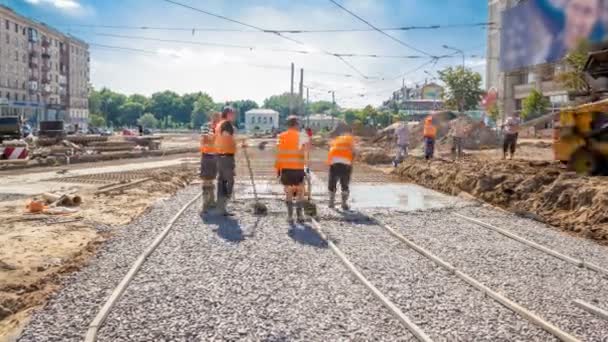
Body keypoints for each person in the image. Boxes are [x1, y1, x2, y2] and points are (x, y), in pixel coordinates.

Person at [276, 116, 308, 223]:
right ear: (296, 124)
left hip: (286, 169)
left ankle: (290, 216)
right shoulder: (302, 136)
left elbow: (279, 154)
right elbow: (307, 151)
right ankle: (299, 216)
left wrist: (278, 171)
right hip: (298, 169)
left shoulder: (281, 136)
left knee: (288, 193)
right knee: (300, 192)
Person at [214, 107, 238, 216]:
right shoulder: (227, 125)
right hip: (226, 157)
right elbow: (230, 137)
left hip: (219, 156)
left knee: (222, 181)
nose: (234, 116)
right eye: (233, 114)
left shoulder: (219, 124)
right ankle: (224, 203)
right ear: (228, 114)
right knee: (229, 181)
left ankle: (221, 207)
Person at [327, 126, 355, 210]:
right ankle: (344, 204)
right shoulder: (350, 139)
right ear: (350, 133)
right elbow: (354, 152)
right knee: (345, 183)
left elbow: (331, 149)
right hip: (345, 163)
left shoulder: (337, 139)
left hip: (333, 162)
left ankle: (331, 202)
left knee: (332, 182)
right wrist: (351, 163)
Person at [200, 112, 221, 213]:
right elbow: (206, 139)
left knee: (212, 178)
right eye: (216, 117)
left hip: (215, 156)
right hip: (207, 155)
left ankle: (211, 201)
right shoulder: (206, 127)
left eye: (219, 117)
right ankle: (205, 202)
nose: (217, 119)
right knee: (206, 179)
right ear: (212, 117)